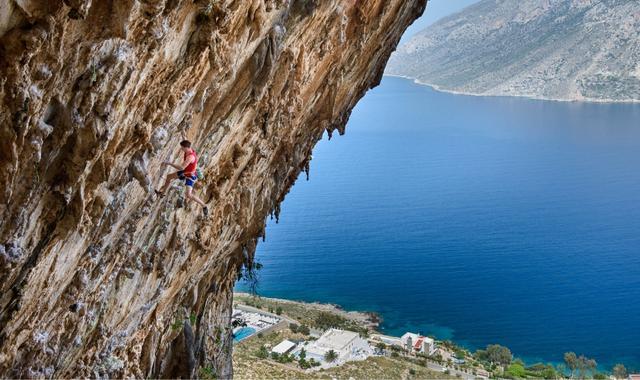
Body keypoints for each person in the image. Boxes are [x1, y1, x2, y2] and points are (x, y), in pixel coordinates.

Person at [156, 140, 208, 216]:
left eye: (182, 148)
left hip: (190, 175)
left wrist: (169, 163)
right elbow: (186, 141)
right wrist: (183, 134)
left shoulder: (190, 157)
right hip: (185, 172)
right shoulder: (189, 149)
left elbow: (181, 167)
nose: (181, 149)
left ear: (186, 148)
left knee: (188, 195)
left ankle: (204, 205)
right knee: (169, 177)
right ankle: (162, 194)